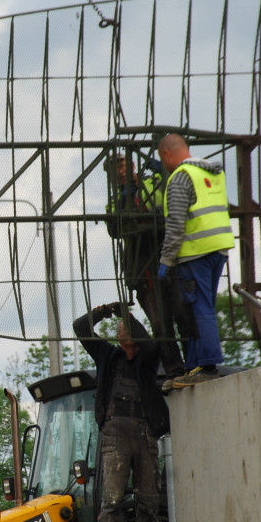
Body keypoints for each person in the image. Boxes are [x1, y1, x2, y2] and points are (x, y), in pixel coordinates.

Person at [74, 303, 170, 522]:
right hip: (115, 433)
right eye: (121, 329)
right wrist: (104, 312)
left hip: (144, 431)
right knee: (112, 498)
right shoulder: (107, 355)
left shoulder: (148, 358)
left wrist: (126, 315)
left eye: (129, 329)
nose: (125, 332)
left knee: (148, 498)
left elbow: (148, 342)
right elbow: (80, 327)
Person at [156, 133, 235, 387]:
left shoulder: (180, 178)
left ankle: (209, 366)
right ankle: (194, 366)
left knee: (199, 308)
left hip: (195, 252)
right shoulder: (213, 174)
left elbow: (176, 224)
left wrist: (166, 260)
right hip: (219, 248)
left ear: (166, 154)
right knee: (201, 307)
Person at [104, 151, 188, 386]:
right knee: (160, 321)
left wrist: (162, 169)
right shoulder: (113, 201)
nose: (119, 172)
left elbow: (170, 198)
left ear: (131, 165)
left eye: (121, 166)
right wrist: (125, 204)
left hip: (167, 255)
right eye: (114, 170)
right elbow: (115, 229)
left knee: (182, 312)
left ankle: (194, 363)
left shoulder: (154, 183)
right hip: (142, 267)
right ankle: (174, 369)